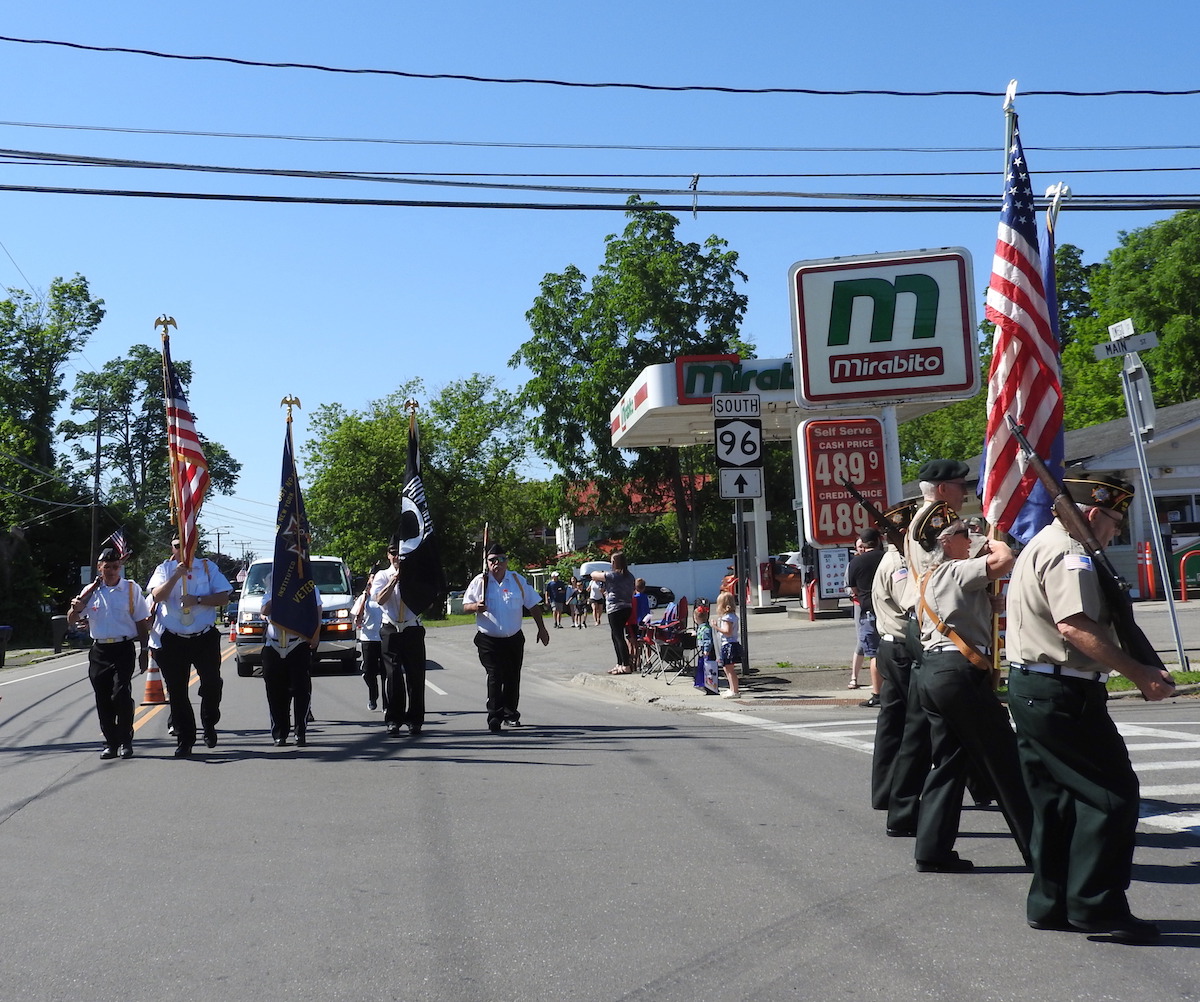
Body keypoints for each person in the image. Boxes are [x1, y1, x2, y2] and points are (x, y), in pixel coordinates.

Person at [1007, 476, 1175, 942]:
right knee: (1111, 796)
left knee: (1056, 802)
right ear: (1094, 514)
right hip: (1064, 692)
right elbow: (1075, 626)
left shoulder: (1042, 542)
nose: (1116, 533)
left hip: (1035, 687)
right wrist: (1138, 673)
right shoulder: (1070, 555)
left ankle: (1051, 902)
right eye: (1115, 523)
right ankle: (1096, 906)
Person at [908, 502, 1031, 873]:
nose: (972, 539)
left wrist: (986, 602)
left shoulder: (932, 577)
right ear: (947, 542)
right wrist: (998, 543)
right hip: (958, 674)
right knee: (1005, 763)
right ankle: (1046, 853)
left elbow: (959, 609)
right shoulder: (955, 570)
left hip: (937, 673)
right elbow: (1003, 561)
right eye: (964, 533)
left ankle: (932, 850)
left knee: (949, 762)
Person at [147, 538, 232, 756]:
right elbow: (157, 595)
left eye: (187, 545)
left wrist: (199, 599)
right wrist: (176, 576)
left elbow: (224, 597)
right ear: (172, 549)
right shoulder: (164, 569)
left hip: (203, 637)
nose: (182, 549)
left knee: (212, 684)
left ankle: (209, 723)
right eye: (177, 546)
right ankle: (185, 740)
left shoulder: (207, 567)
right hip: (173, 639)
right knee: (177, 691)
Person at [66, 547, 151, 760]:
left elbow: (141, 622)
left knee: (121, 694)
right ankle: (110, 743)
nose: (112, 571)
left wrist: (144, 650)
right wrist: (76, 608)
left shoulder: (131, 589)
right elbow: (72, 619)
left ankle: (126, 740)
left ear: (120, 567)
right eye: (108, 567)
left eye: (116, 567)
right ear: (99, 568)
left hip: (123, 648)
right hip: (100, 650)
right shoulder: (90, 591)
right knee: (103, 698)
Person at [865, 499, 920, 813]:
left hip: (893, 648)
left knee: (892, 723)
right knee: (914, 723)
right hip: (900, 648)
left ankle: (886, 792)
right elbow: (911, 604)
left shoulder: (900, 559)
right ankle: (900, 794)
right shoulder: (899, 564)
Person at [463, 542, 549, 732]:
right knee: (495, 674)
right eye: (493, 560)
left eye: (501, 559)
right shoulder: (481, 581)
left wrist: (541, 629)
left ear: (506, 561)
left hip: (513, 638)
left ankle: (510, 714)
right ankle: (494, 715)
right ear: (487, 562)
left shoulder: (516, 580)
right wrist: (476, 607)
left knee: (512, 676)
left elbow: (533, 604)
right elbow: (466, 605)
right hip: (488, 639)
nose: (497, 563)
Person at [371, 542, 428, 737]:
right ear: (388, 555)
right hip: (391, 628)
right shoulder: (382, 576)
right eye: (393, 553)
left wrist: (410, 579)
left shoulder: (416, 573)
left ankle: (415, 720)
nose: (397, 557)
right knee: (393, 675)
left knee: (415, 676)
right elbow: (379, 599)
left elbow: (427, 595)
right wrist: (394, 581)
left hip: (412, 627)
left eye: (400, 553)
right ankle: (394, 719)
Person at [260, 570, 320, 747]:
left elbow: (316, 610)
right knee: (275, 692)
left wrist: (316, 634)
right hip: (274, 646)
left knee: (301, 690)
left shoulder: (309, 588)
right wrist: (278, 596)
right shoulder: (269, 592)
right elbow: (264, 611)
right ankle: (280, 732)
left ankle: (300, 731)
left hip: (298, 644)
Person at [846, 529, 886, 706]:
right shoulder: (886, 558)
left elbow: (854, 590)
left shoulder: (856, 563)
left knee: (874, 654)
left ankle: (877, 694)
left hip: (868, 611)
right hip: (889, 610)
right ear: (878, 540)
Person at [593, 551, 635, 675]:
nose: (611, 563)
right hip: (627, 607)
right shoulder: (630, 576)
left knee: (618, 636)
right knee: (615, 636)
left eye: (612, 561)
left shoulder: (612, 575)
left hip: (615, 608)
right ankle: (619, 663)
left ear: (616, 563)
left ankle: (626, 665)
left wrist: (599, 572)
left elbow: (594, 575)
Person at [352, 567, 386, 712]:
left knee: (387, 673)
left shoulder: (386, 595)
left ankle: (387, 703)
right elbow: (356, 620)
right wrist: (364, 598)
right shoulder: (363, 599)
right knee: (368, 671)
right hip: (368, 638)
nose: (373, 581)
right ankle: (373, 695)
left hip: (384, 638)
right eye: (371, 578)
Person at [715, 590, 742, 698]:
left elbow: (728, 632)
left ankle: (735, 690)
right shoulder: (732, 616)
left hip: (729, 644)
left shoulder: (727, 618)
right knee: (727, 668)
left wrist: (715, 627)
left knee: (729, 669)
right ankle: (732, 689)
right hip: (731, 644)